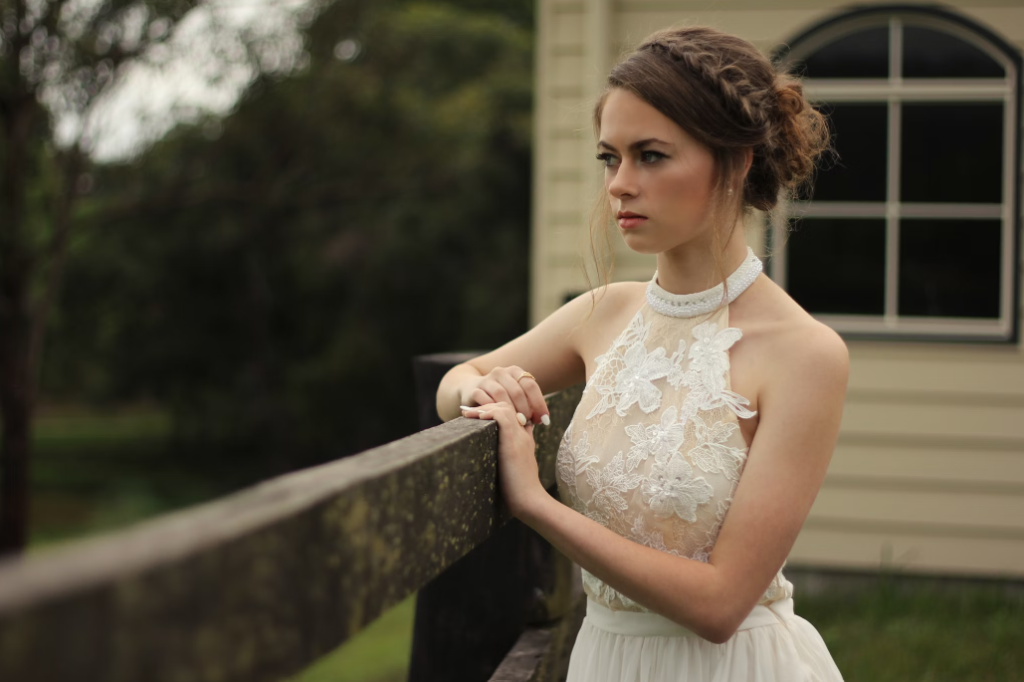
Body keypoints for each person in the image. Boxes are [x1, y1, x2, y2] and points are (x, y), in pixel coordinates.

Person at [436, 24, 847, 682]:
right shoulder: (605, 314)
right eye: (610, 158)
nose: (619, 185)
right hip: (604, 660)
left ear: (736, 161)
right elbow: (459, 377)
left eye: (650, 156)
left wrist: (535, 505)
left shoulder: (805, 354)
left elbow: (719, 605)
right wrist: (485, 394)